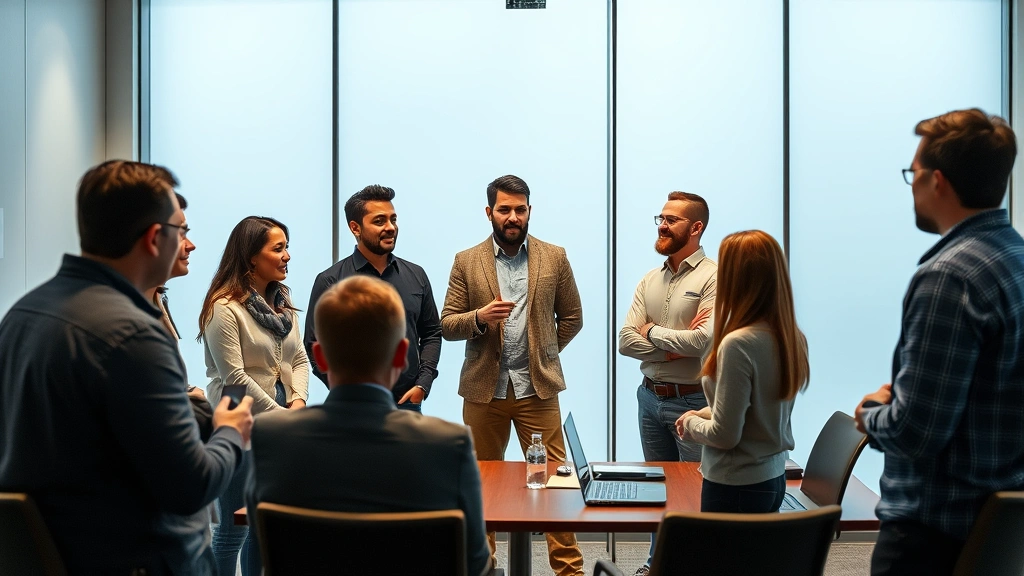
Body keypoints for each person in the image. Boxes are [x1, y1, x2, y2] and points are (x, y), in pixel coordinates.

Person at [0, 160, 253, 575]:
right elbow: (191, 488)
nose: (188, 243)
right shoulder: (133, 335)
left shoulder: (23, 314)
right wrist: (229, 431)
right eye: (182, 231)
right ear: (155, 238)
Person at [854, 109, 1024, 576]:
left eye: (913, 173)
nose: (911, 186)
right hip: (997, 532)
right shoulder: (1016, 259)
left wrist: (871, 413)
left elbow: (917, 431)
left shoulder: (949, 277)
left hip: (932, 536)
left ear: (937, 181)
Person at [248, 275, 492, 576]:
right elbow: (476, 565)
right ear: (401, 356)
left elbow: (265, 549)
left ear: (320, 357)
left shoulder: (270, 439)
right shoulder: (449, 446)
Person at [441, 174, 584, 576]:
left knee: (556, 483)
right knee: (480, 485)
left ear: (529, 211)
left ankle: (569, 570)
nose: (513, 217)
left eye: (520, 209)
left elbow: (572, 317)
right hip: (483, 390)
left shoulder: (554, 256)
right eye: (504, 209)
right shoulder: (466, 260)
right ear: (489, 212)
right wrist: (480, 318)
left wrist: (544, 353)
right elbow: (447, 324)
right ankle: (481, 567)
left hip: (537, 389)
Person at [199, 216, 310, 576]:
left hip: (281, 420)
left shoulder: (282, 300)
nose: (287, 256)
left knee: (261, 526)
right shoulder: (223, 307)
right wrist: (284, 416)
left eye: (287, 247)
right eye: (278, 249)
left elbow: (300, 358)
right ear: (250, 257)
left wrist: (298, 403)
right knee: (233, 529)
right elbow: (234, 378)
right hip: (239, 420)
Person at [617, 191, 716, 576]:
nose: (662, 225)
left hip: (692, 402)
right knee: (660, 489)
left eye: (672, 220)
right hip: (649, 398)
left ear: (695, 228)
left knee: (694, 493)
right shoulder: (650, 279)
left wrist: (652, 331)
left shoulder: (714, 277)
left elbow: (701, 341)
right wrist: (671, 350)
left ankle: (695, 567)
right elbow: (625, 341)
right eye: (661, 218)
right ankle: (655, 564)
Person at [677, 230, 808, 514]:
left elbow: (725, 436)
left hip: (735, 485)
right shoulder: (791, 337)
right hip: (772, 479)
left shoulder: (738, 344)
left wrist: (690, 425)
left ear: (736, 278)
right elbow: (758, 412)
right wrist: (703, 413)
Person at [304, 185, 442, 411]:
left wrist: (423, 384)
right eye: (379, 221)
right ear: (355, 227)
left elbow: (432, 333)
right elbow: (313, 344)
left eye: (393, 219)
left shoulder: (416, 275)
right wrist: (343, 390)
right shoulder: (330, 281)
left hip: (406, 403)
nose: (390, 227)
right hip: (351, 407)